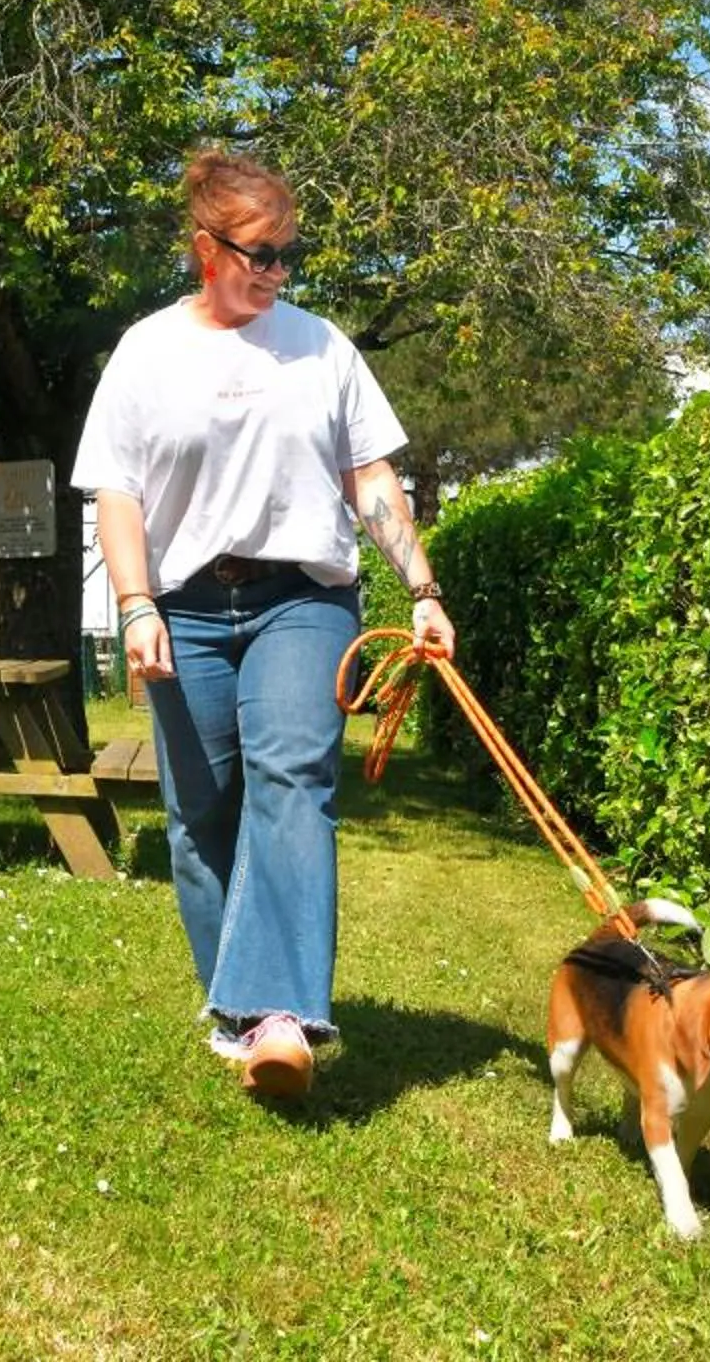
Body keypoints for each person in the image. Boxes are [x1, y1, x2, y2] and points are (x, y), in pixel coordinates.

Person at [71, 151, 455, 1100]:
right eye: (261, 254)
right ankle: (239, 1009)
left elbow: (370, 480)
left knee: (291, 776)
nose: (279, 272)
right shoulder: (147, 351)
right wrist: (134, 605)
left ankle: (283, 1015)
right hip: (186, 606)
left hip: (302, 600)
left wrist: (423, 589)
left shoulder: (323, 348)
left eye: (292, 255)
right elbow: (115, 492)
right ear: (206, 249)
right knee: (200, 818)